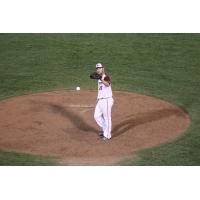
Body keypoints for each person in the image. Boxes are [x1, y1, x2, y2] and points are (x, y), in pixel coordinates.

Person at [93, 63, 114, 140]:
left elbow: (107, 84)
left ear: (103, 68)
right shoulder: (99, 78)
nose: (98, 69)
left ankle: (107, 135)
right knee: (96, 116)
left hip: (107, 100)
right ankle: (105, 129)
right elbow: (100, 89)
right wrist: (98, 98)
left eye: (99, 68)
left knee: (107, 118)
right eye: (97, 68)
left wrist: (101, 78)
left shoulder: (106, 76)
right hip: (101, 100)